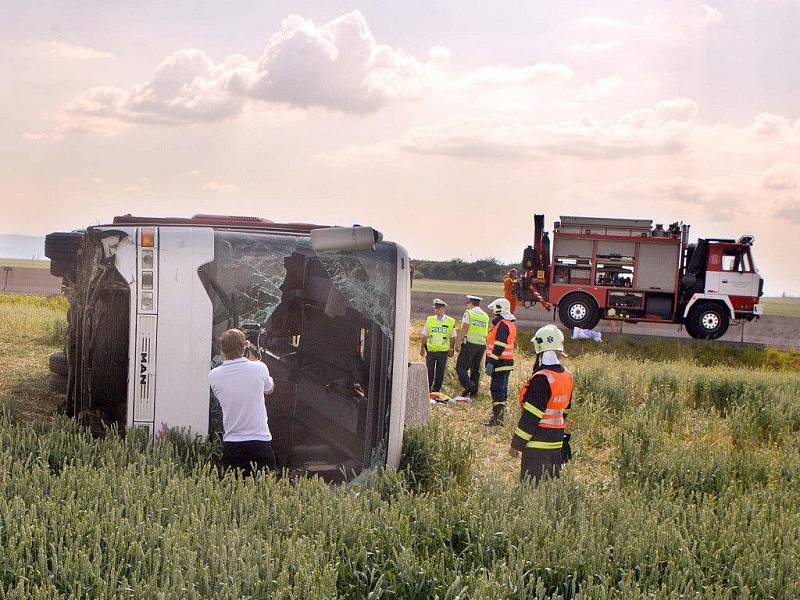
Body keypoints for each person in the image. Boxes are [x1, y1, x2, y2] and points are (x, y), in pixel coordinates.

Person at [509, 324, 573, 483]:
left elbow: (531, 417)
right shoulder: (566, 376)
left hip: (537, 446)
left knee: (531, 489)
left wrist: (516, 444)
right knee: (549, 490)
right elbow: (565, 412)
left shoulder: (542, 379)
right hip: (556, 443)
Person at [208, 329, 276, 477]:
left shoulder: (213, 376)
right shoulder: (259, 367)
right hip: (260, 441)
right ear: (243, 347)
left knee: (234, 492)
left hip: (233, 444)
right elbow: (269, 389)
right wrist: (253, 359)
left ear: (222, 350)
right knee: (266, 491)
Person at [484, 298, 517, 426]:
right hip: (503, 363)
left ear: (499, 311)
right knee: (499, 390)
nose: (493, 314)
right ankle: (498, 418)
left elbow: (499, 345)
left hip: (500, 363)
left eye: (494, 312)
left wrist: (491, 362)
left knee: (497, 390)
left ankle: (498, 419)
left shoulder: (503, 324)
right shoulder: (507, 324)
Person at [453, 295, 489, 402]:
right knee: (475, 369)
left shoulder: (469, 313)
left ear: (471, 303)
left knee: (460, 368)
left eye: (467, 303)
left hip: (470, 344)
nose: (466, 305)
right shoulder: (485, 316)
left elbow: (464, 328)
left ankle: (469, 386)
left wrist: (458, 343)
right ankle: (474, 392)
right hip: (481, 345)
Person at [420, 298, 456, 394]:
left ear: (443, 309)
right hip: (431, 351)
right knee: (429, 372)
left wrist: (452, 348)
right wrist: (422, 348)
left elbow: (453, 337)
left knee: (440, 373)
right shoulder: (430, 320)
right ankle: (427, 391)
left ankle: (436, 391)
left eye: (438, 308)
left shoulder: (450, 321)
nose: (436, 310)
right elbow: (425, 335)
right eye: (435, 308)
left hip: (443, 352)